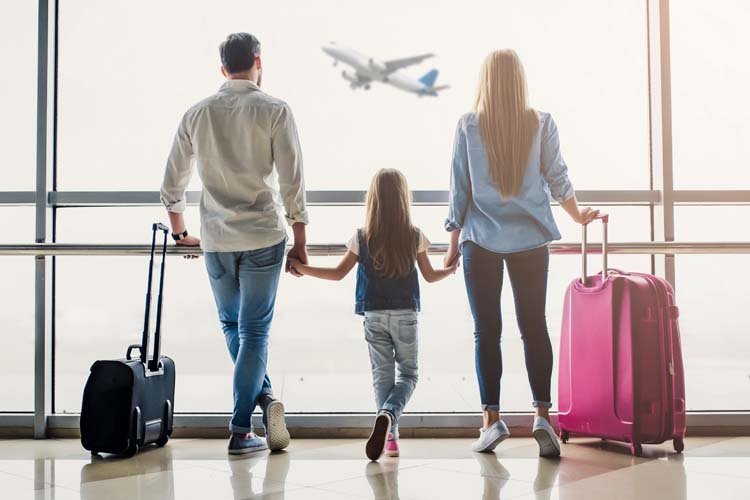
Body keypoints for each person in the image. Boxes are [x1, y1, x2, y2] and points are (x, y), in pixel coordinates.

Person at [443, 50, 599, 457]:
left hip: (481, 240)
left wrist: (452, 243)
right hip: (530, 240)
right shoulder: (541, 123)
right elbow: (558, 177)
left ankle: (491, 423)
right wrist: (578, 215)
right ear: (520, 81)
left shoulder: (468, 126)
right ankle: (542, 416)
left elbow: (459, 192)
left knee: (487, 332)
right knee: (534, 327)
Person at [160, 32, 309, 455]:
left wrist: (179, 233)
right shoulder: (276, 110)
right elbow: (292, 182)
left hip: (217, 240)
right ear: (259, 61)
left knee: (233, 327)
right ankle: (243, 425)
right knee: (255, 330)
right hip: (264, 235)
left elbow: (172, 185)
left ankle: (258, 407)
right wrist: (300, 242)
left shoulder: (197, 114)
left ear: (222, 68)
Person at [288, 168, 458, 461]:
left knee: (382, 377)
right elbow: (430, 276)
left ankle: (390, 438)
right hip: (405, 314)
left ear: (374, 200)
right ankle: (389, 417)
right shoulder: (414, 235)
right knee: (409, 374)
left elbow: (338, 273)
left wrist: (302, 268)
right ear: (404, 200)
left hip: (374, 314)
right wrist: (451, 269)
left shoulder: (362, 237)